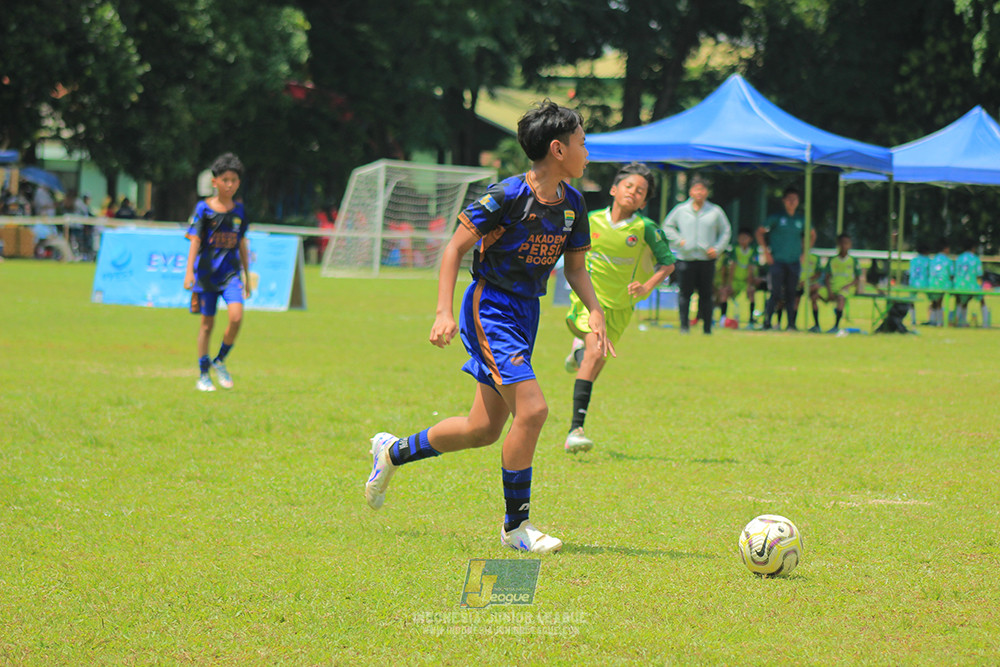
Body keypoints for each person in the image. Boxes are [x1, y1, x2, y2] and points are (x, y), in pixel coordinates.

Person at [363, 102, 611, 555]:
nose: (587, 151)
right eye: (582, 142)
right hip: (489, 307)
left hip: (525, 314)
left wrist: (594, 311)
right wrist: (442, 312)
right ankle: (516, 527)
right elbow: (454, 249)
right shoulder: (507, 196)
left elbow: (575, 268)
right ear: (558, 149)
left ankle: (392, 452)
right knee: (533, 412)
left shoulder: (574, 203)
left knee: (483, 428)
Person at [562, 162, 674, 453]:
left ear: (644, 201)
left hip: (621, 306)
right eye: (629, 187)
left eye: (641, 191)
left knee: (597, 361)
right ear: (614, 189)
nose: (633, 193)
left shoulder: (645, 228)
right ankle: (575, 429)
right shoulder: (590, 219)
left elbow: (668, 264)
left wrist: (646, 286)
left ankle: (578, 353)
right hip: (589, 300)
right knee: (596, 353)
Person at [183, 153, 252, 392]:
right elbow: (194, 240)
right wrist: (189, 273)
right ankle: (203, 374)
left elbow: (242, 242)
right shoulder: (203, 209)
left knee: (236, 317)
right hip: (205, 275)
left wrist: (246, 275)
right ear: (215, 182)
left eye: (234, 180)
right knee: (206, 325)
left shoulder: (240, 211)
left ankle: (220, 360)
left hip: (231, 275)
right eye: (225, 179)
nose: (229, 184)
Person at [662, 177, 731, 334]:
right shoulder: (681, 210)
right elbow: (667, 227)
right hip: (686, 258)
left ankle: (707, 328)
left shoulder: (715, 211)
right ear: (690, 191)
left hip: (706, 259)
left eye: (702, 189)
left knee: (706, 294)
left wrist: (718, 248)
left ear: (707, 192)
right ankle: (684, 326)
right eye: (696, 189)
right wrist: (679, 241)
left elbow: (726, 231)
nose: (699, 192)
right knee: (685, 294)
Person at [757, 186, 805, 330]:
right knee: (775, 293)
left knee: (791, 293)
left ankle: (791, 324)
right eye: (789, 199)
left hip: (794, 261)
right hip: (777, 261)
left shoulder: (800, 219)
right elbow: (760, 232)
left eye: (794, 199)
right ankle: (767, 322)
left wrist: (804, 252)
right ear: (784, 201)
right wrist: (766, 252)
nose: (791, 202)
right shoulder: (777, 218)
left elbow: (812, 234)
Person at [815, 233, 861, 333]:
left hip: (846, 289)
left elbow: (857, 278)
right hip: (832, 287)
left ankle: (836, 326)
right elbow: (827, 277)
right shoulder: (832, 260)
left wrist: (849, 286)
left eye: (846, 243)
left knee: (841, 298)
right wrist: (829, 290)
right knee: (814, 296)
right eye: (842, 243)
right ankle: (816, 326)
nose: (844, 246)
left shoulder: (853, 261)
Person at [726, 228, 759, 327]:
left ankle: (751, 320)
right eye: (741, 238)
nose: (743, 240)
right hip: (735, 280)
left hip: (745, 281)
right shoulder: (735, 249)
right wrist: (730, 283)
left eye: (745, 238)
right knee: (724, 292)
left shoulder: (752, 251)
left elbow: (751, 268)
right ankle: (724, 318)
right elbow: (732, 267)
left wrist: (749, 284)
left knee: (751, 294)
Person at [953, 238, 984, 327]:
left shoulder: (959, 258)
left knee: (960, 301)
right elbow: (979, 274)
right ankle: (986, 323)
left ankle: (959, 321)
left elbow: (955, 273)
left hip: (958, 286)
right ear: (973, 248)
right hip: (971, 286)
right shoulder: (975, 259)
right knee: (982, 300)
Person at [926, 238, 953, 327]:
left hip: (933, 284)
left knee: (934, 303)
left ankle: (932, 321)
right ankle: (940, 322)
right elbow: (951, 274)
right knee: (939, 303)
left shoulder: (933, 259)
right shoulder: (948, 260)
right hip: (944, 285)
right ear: (945, 248)